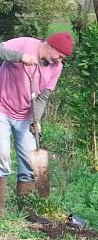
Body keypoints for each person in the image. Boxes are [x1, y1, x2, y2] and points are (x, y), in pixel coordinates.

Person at [0, 32, 74, 217]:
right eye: (59, 55)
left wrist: (36, 120)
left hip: (24, 116)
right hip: (1, 108)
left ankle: (27, 213)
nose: (59, 60)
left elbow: (42, 97)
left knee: (31, 165)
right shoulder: (24, 44)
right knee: (2, 158)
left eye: (62, 59)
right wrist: (19, 57)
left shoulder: (56, 68)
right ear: (51, 45)